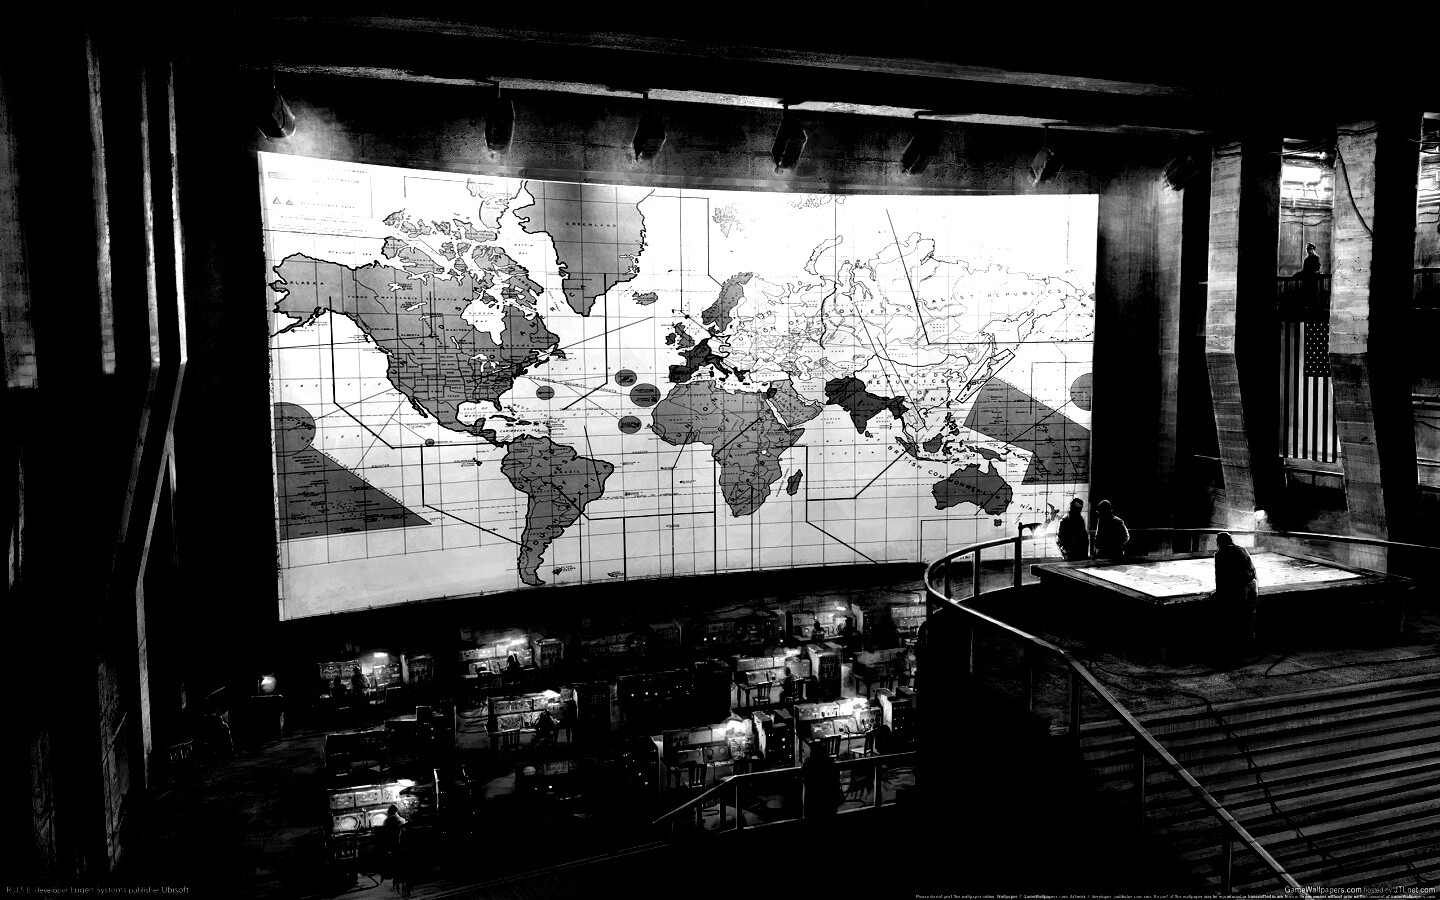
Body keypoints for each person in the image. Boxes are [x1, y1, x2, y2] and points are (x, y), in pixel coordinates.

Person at [1212, 532, 1259, 659]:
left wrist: (1219, 594)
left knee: (1235, 617)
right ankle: (1249, 647)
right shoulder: (1242, 550)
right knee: (1249, 618)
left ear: (1219, 542)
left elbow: (1220, 577)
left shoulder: (1220, 554)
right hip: (1252, 586)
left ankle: (1235, 650)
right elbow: (1252, 570)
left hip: (1239, 589)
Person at [800, 742, 841, 819]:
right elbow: (836, 781)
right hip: (829, 801)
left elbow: (804, 778)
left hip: (813, 801)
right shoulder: (831, 764)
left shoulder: (809, 764)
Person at [379, 804, 406, 890]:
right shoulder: (402, 820)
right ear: (397, 811)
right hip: (401, 846)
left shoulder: (387, 821)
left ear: (388, 812)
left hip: (391, 846)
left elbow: (383, 834)